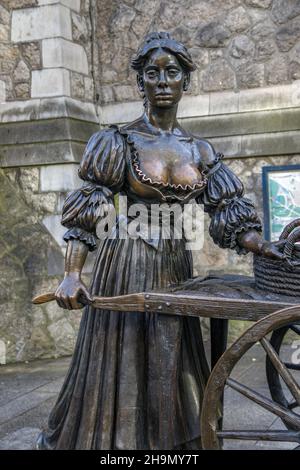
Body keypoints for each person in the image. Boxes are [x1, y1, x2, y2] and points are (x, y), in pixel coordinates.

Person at [37, 32, 284, 450]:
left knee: (170, 347)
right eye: (153, 73)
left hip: (174, 261)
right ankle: (114, 444)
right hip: (125, 259)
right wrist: (71, 273)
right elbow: (88, 211)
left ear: (185, 81)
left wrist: (261, 245)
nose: (163, 81)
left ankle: (169, 440)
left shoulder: (200, 151)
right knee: (124, 347)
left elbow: (227, 212)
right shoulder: (117, 140)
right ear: (142, 84)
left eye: (172, 72)